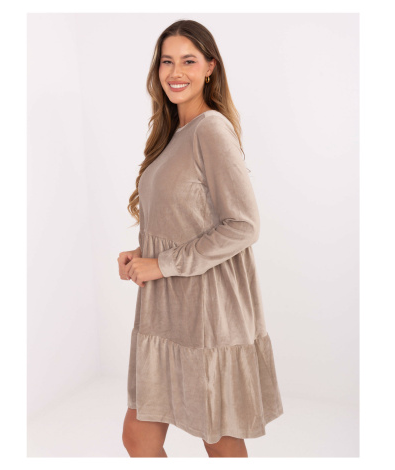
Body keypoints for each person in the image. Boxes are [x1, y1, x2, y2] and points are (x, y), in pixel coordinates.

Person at [119, 20, 283, 458]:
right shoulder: (173, 132)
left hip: (207, 310)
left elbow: (243, 224)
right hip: (167, 309)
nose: (176, 72)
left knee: (220, 441)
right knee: (139, 436)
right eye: (167, 61)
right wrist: (142, 253)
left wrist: (161, 264)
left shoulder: (211, 129)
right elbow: (188, 218)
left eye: (188, 61)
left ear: (210, 67)